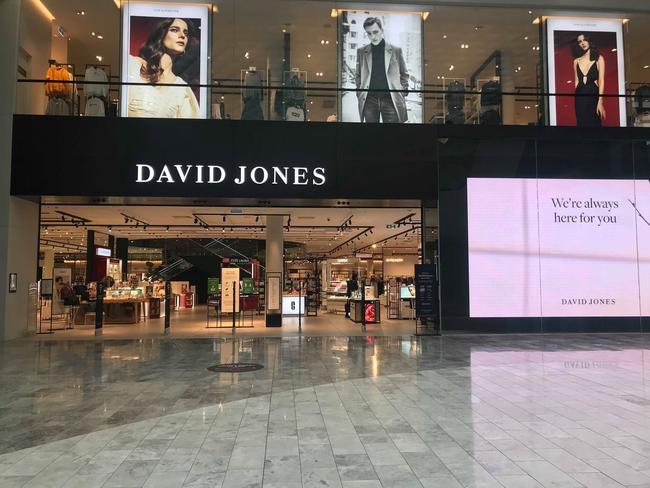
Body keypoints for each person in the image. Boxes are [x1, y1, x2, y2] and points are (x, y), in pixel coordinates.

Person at [127, 18, 200, 118]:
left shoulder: (182, 89)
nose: (182, 36)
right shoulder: (133, 65)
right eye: (174, 30)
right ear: (161, 34)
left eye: (185, 33)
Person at [355, 17, 409, 123]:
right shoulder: (361, 52)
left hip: (391, 99)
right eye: (369, 33)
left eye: (375, 32)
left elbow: (404, 74)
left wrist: (402, 91)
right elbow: (358, 75)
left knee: (391, 135)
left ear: (382, 30)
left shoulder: (396, 50)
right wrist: (359, 92)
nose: (372, 36)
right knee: (372, 136)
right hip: (369, 100)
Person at [572, 33, 605, 127]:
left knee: (595, 124)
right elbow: (577, 81)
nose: (583, 43)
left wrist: (600, 101)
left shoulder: (599, 58)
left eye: (584, 40)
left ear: (589, 40)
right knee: (581, 124)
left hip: (593, 95)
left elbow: (601, 80)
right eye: (580, 41)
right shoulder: (576, 61)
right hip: (579, 96)